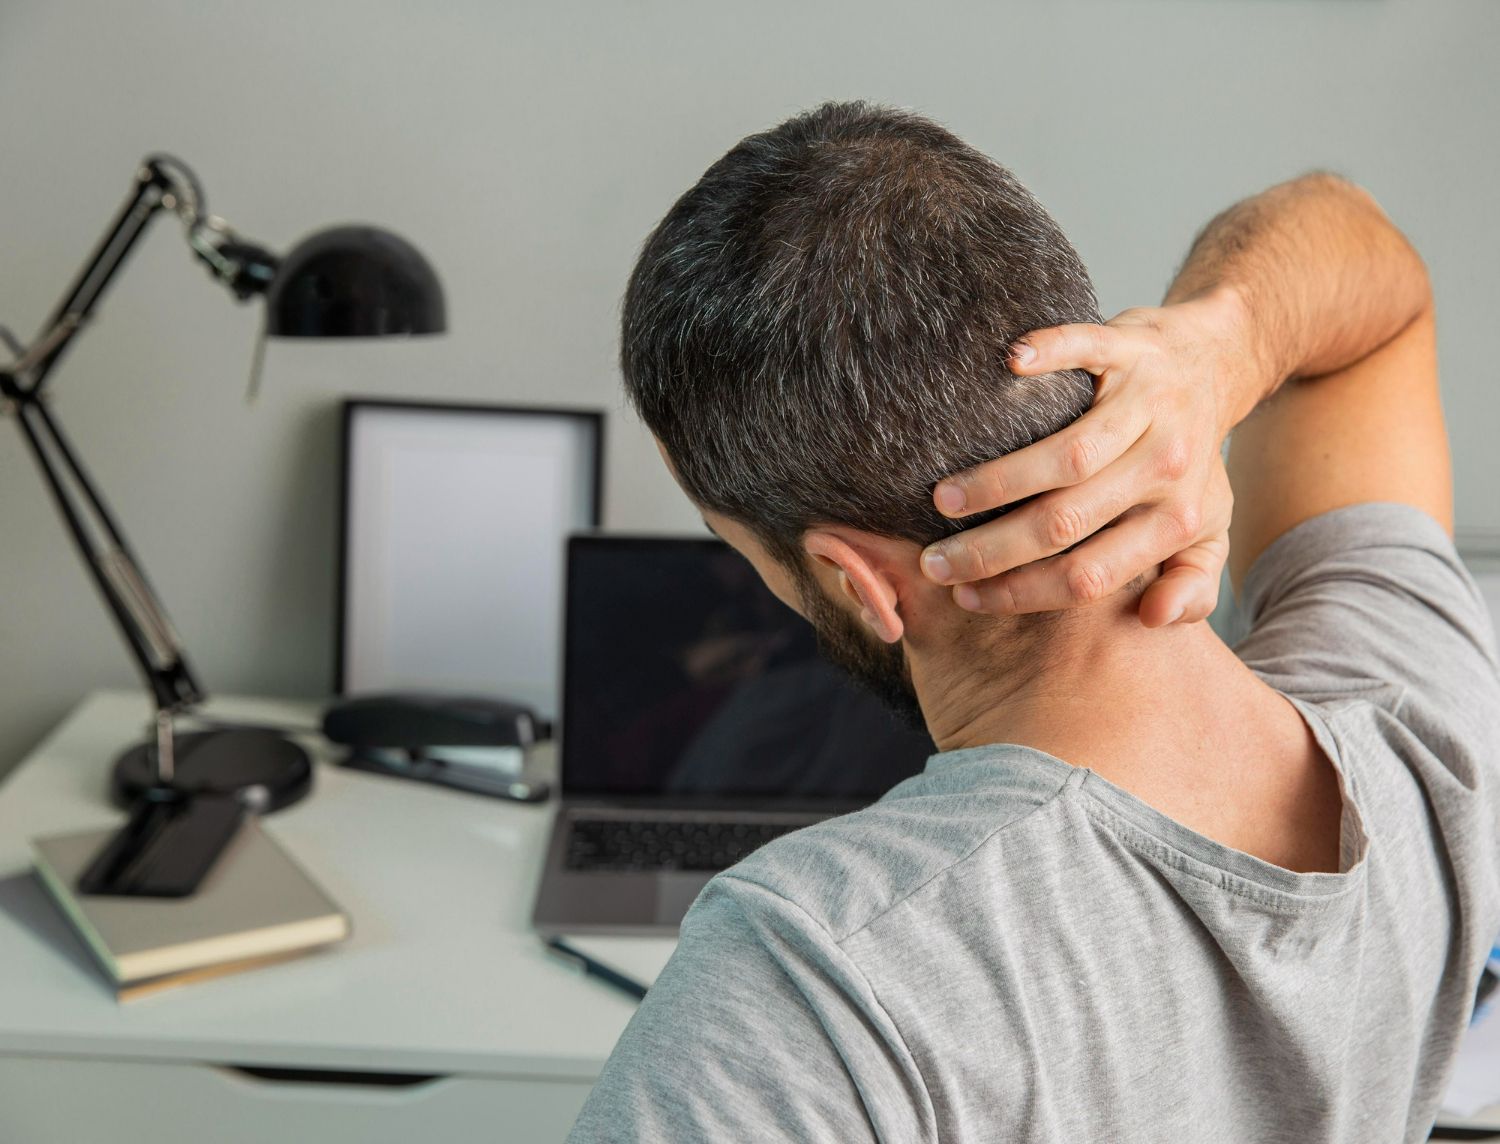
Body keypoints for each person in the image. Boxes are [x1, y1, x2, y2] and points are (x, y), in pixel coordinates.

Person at [570, 101, 1500, 1141]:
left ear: (853, 580)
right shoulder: (1424, 723)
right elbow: (1367, 266)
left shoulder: (816, 982)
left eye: (745, 551)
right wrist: (1216, 349)